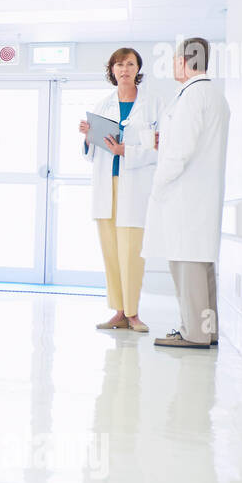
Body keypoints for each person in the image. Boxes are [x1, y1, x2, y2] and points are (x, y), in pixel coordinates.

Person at [142, 37, 231, 349]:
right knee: (202, 265)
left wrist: (158, 183)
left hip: (186, 196)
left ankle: (194, 333)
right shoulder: (213, 95)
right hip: (200, 196)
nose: (173, 65)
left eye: (176, 59)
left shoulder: (192, 97)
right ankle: (208, 331)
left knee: (187, 264)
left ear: (185, 60)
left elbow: (181, 151)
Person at [79, 47, 164, 333]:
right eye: (118, 65)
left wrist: (126, 150)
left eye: (129, 64)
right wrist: (88, 137)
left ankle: (134, 313)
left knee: (132, 251)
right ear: (111, 70)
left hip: (135, 186)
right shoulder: (102, 106)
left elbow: (160, 146)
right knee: (111, 251)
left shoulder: (153, 105)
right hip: (107, 186)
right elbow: (91, 153)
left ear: (138, 69)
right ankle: (118, 312)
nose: (124, 69)